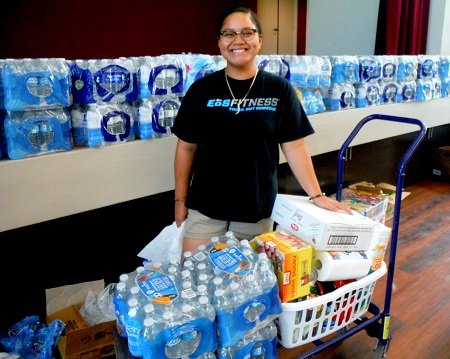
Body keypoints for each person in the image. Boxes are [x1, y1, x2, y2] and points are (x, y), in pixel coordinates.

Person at [172, 6, 352, 256]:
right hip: (205, 209)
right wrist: (180, 201)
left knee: (250, 287)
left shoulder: (280, 90)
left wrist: (316, 195)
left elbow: (295, 146)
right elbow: (185, 147)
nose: (238, 40)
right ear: (219, 42)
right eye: (229, 33)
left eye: (247, 32)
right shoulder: (201, 90)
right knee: (195, 278)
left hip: (256, 211)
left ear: (259, 40)